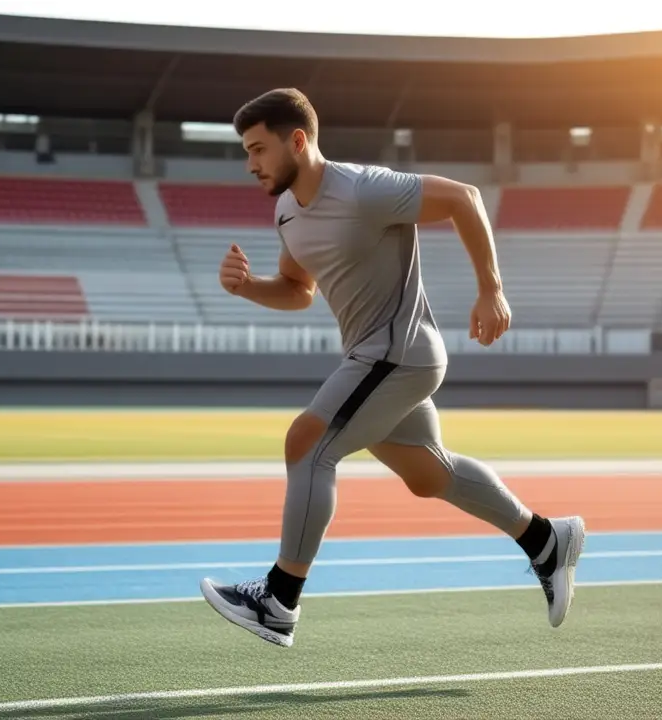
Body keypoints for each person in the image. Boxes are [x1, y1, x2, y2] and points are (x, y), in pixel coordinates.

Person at [199, 88, 586, 648]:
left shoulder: (362, 189)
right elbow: (298, 289)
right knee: (431, 475)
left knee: (307, 443)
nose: (250, 163)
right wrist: (247, 287)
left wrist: (491, 291)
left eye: (258, 149)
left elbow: (464, 198)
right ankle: (548, 539)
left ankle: (279, 600)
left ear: (298, 141)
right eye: (247, 152)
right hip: (376, 360)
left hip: (398, 352)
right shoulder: (286, 211)